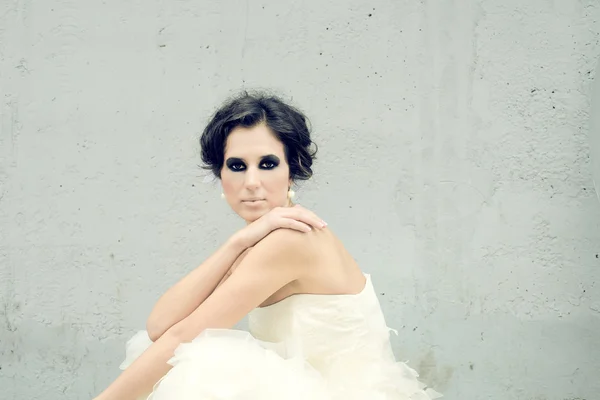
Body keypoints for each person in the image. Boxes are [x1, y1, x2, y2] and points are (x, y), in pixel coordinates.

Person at [94, 91, 442, 400]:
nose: (251, 182)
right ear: (221, 175)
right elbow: (160, 326)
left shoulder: (290, 240)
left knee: (207, 363)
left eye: (268, 164)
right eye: (236, 166)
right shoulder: (260, 239)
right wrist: (235, 243)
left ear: (293, 170)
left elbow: (182, 336)